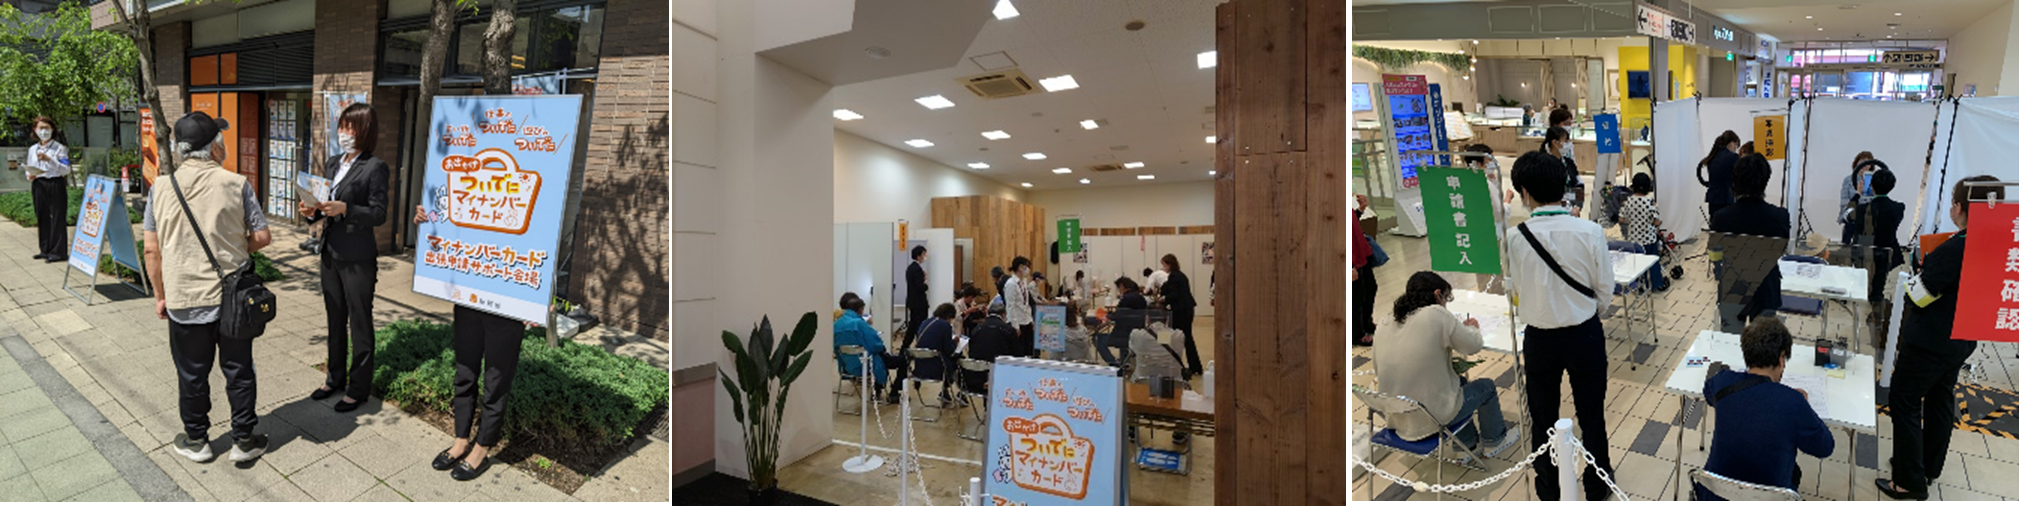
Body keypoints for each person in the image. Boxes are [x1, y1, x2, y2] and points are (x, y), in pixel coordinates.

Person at [143, 111, 271, 464]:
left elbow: (151, 250)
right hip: (233, 299)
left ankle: (197, 440)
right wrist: (233, 250)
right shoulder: (237, 183)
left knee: (192, 374)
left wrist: (160, 296)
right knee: (239, 370)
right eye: (221, 140)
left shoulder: (160, 188)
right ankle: (244, 440)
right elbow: (262, 236)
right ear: (215, 147)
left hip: (184, 299)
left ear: (181, 150)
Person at [1878, 175, 1999, 500]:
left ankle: (1908, 482)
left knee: (1903, 401)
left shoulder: (1956, 248)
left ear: (1959, 207)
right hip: (1962, 337)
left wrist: (1920, 271)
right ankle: (1928, 466)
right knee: (1940, 400)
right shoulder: (1994, 244)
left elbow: (1919, 296)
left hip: (1931, 341)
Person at [1504, 151, 1615, 500]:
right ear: (1563, 186)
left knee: (1542, 415)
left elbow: (1516, 289)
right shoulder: (1590, 231)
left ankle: (1549, 487)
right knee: (1591, 413)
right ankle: (1597, 485)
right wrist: (1587, 310)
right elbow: (1605, 289)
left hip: (1539, 338)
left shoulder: (1515, 236)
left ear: (1524, 192)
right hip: (1584, 333)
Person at [410, 205, 531, 480]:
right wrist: (429, 222)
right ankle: (461, 440)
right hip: (469, 294)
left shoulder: (529, 196)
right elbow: (449, 228)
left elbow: (543, 239)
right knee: (464, 373)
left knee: (496, 382)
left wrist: (542, 298)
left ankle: (482, 448)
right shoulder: (473, 193)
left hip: (508, 301)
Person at [304, 103, 391, 413]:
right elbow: (325, 204)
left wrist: (347, 209)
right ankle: (334, 378)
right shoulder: (333, 163)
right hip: (330, 252)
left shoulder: (375, 167)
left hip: (358, 258)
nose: (344, 133)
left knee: (359, 321)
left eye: (351, 127)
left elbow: (379, 214)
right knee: (335, 318)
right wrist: (312, 212)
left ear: (364, 131)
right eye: (342, 126)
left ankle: (358, 388)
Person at [1372, 272, 1518, 457]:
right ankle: (1495, 441)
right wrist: (1472, 328)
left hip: (1396, 416)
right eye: (1446, 298)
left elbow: (1377, 366)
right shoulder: (1436, 313)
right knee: (1486, 387)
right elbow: (1472, 346)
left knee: (1460, 383)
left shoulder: (1385, 320)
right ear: (1437, 294)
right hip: (1430, 417)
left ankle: (1465, 447)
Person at [1696, 316, 1833, 500]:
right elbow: (1825, 447)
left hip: (1713, 494)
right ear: (1781, 358)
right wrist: (1798, 403)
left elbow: (1708, 393)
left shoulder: (1723, 381)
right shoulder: (1793, 402)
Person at [1709, 154, 1791, 321]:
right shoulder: (1779, 216)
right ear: (1765, 180)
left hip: (1732, 288)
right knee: (1762, 337)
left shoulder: (1721, 218)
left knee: (1730, 337)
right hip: (1766, 288)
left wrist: (1719, 273)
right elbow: (1780, 251)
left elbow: (1714, 253)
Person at [1843, 165, 1905, 321]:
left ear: (1871, 186)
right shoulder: (1899, 208)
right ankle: (1876, 299)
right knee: (1880, 276)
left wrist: (1858, 194)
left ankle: (1861, 291)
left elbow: (1847, 215)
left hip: (1866, 249)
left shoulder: (1862, 209)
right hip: (1887, 250)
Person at [26, 116, 71, 263]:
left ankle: (58, 252)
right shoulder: (33, 149)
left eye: (46, 128)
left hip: (55, 183)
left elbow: (66, 170)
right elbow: (29, 166)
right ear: (35, 130)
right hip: (39, 184)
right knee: (42, 216)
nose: (43, 131)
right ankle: (45, 249)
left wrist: (50, 160)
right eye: (40, 128)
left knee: (57, 217)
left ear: (52, 129)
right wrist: (30, 175)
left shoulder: (59, 148)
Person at [830, 292, 890, 396]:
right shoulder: (859, 323)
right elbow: (876, 346)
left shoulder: (835, 325)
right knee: (896, 360)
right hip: (865, 365)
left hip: (846, 367)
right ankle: (887, 392)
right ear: (860, 309)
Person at [891, 245, 930, 403]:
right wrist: (925, 282)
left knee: (912, 328)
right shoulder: (917, 270)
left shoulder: (910, 268)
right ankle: (912, 352)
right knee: (917, 330)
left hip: (913, 303)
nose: (925, 256)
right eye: (924, 254)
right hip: (919, 304)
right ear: (919, 255)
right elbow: (920, 288)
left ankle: (905, 348)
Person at [1619, 173, 1669, 291]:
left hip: (1634, 240)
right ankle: (1655, 284)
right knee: (1652, 263)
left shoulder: (1628, 202)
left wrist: (1631, 221)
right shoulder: (1650, 202)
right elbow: (1656, 222)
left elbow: (1621, 219)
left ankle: (1639, 285)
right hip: (1648, 240)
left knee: (1637, 265)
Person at [963, 299, 1018, 395]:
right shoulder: (1009, 330)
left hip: (977, 376)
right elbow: (1016, 354)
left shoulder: (977, 329)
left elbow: (971, 351)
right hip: (1001, 375)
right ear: (1004, 314)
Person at [1158, 254, 1201, 376]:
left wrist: (1163, 299)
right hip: (1186, 309)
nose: (1163, 268)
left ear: (1169, 264)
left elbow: (1174, 294)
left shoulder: (1174, 277)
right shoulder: (1179, 275)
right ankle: (1195, 366)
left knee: (1174, 336)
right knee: (1187, 337)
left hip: (1181, 310)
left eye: (1164, 265)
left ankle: (1177, 364)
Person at [910, 303, 959, 403]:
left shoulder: (925, 322)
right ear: (949, 316)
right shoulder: (945, 326)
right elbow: (949, 350)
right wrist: (955, 343)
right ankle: (953, 392)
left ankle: (946, 393)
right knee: (959, 360)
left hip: (919, 368)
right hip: (936, 369)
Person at [1100, 277, 1151, 366]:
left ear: (1122, 286)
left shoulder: (1126, 299)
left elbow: (1119, 315)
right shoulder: (1141, 298)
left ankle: (1114, 362)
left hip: (1124, 334)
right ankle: (1124, 361)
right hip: (1138, 332)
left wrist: (1107, 315)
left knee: (1099, 339)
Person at [1354, 193, 1381, 346]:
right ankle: (1356, 333)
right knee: (1357, 297)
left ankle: (1366, 323)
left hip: (1361, 254)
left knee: (1370, 288)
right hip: (1352, 259)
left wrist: (1360, 210)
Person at [1698, 130, 1743, 219]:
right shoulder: (1733, 157)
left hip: (1713, 199)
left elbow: (1699, 171)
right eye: (1736, 145)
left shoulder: (1712, 156)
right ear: (1732, 142)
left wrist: (1707, 183)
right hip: (1727, 199)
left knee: (1715, 224)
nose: (1735, 148)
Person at [1543, 127, 1582, 212]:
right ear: (1555, 142)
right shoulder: (1542, 164)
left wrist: (1577, 206)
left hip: (1571, 208)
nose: (1568, 144)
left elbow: (1578, 184)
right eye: (1565, 140)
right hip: (1550, 210)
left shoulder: (1568, 162)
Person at [1004, 256, 1037, 357]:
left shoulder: (1023, 282)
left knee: (1028, 350)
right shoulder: (1011, 284)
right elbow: (1010, 306)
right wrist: (1015, 326)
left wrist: (1031, 320)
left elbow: (1026, 303)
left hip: (1026, 320)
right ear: (1019, 267)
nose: (1027, 269)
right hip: (1017, 322)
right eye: (1026, 266)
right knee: (1019, 352)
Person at [1839, 151, 1876, 225]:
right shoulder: (1848, 180)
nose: (1864, 165)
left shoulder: (1875, 180)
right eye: (1862, 161)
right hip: (1853, 219)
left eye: (1868, 163)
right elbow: (1844, 203)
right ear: (1856, 163)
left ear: (1871, 165)